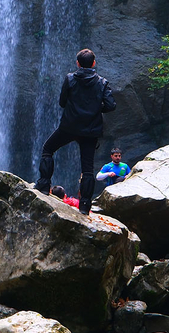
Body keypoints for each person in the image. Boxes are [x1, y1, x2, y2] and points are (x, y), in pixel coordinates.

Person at [35, 48, 116, 214]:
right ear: (94, 63)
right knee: (87, 169)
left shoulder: (70, 79)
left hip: (69, 127)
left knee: (48, 149)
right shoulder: (102, 82)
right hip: (90, 130)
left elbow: (62, 102)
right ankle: (85, 206)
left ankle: (44, 185)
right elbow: (110, 105)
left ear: (78, 63)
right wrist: (95, 108)